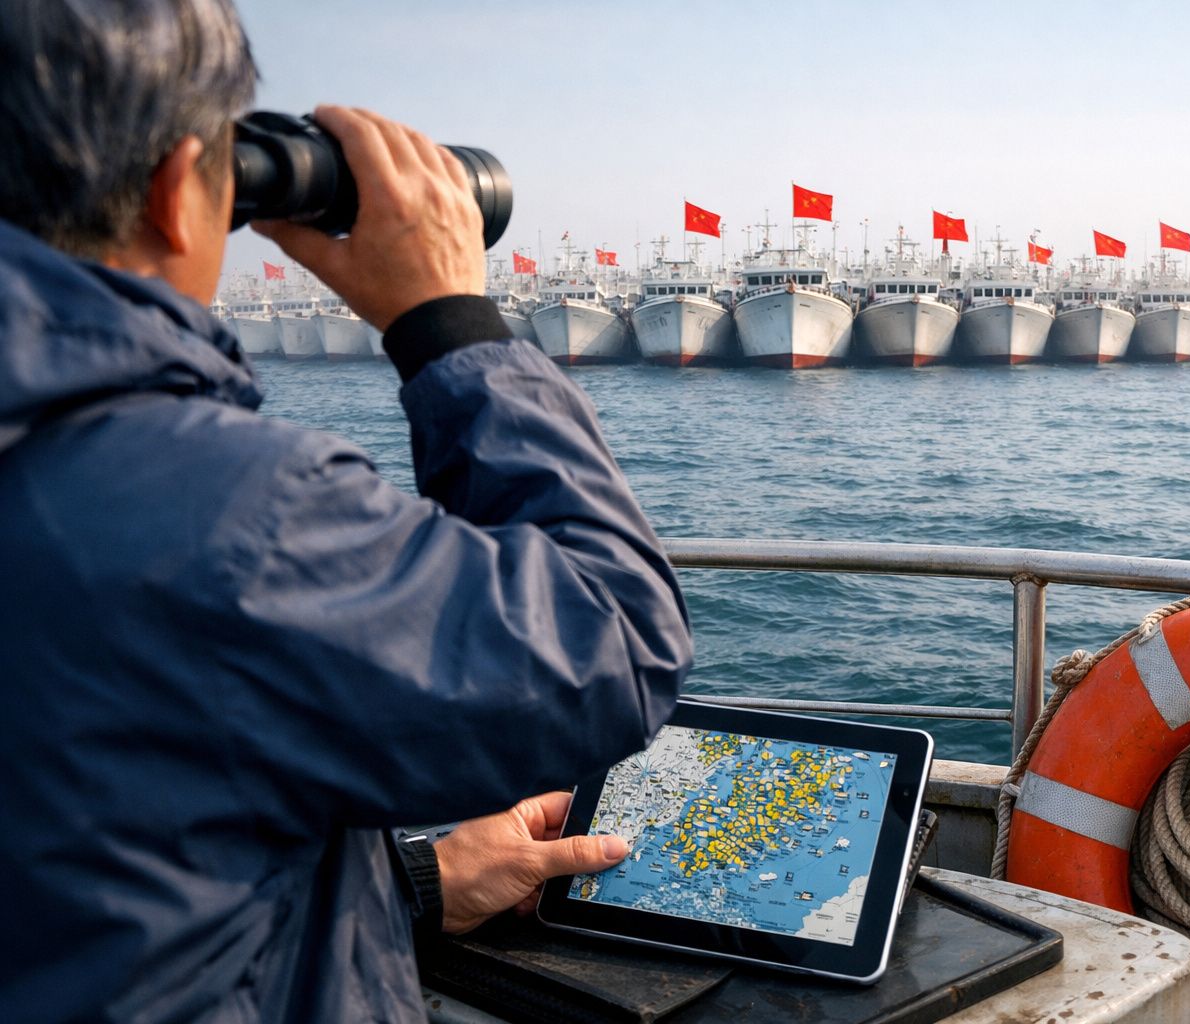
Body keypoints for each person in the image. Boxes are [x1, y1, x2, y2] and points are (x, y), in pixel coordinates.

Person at [0, 1, 691, 1021]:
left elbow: (91, 868)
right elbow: (614, 643)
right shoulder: (221, 511)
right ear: (177, 194)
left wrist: (414, 885)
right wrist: (449, 321)